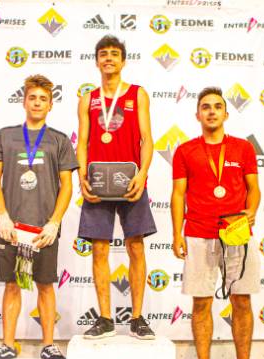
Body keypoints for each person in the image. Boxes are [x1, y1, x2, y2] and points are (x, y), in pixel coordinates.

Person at [171, 87, 264, 359]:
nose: (211, 111)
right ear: (197, 115)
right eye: (205, 107)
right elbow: (178, 195)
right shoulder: (185, 151)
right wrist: (176, 233)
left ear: (226, 114)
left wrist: (251, 211)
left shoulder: (243, 148)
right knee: (201, 302)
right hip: (198, 232)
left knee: (242, 300)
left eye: (217, 106)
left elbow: (254, 188)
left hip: (236, 232)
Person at [0, 74, 77, 359]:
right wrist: (2, 215)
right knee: (11, 284)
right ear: (24, 101)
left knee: (45, 285)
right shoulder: (5, 135)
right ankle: (8, 345)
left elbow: (67, 185)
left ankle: (48, 345)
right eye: (32, 97)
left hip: (43, 229)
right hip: (11, 228)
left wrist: (54, 222)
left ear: (50, 105)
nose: (37, 103)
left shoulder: (59, 140)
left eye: (43, 99)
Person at [77, 35, 157, 339]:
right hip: (98, 180)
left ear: (123, 61)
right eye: (103, 54)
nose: (108, 58)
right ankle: (106, 318)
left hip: (131, 179)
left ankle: (137, 318)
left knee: (135, 246)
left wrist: (143, 174)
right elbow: (82, 142)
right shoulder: (88, 99)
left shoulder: (138, 94)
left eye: (114, 54)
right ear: (97, 61)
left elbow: (147, 139)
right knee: (99, 248)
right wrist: (82, 176)